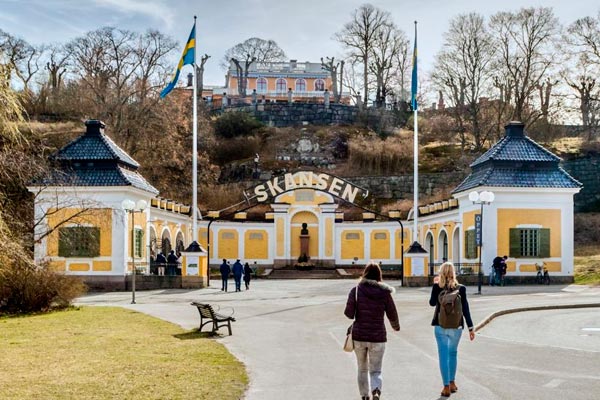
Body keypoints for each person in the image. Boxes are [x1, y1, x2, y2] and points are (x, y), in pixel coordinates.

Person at [344, 261, 400, 400]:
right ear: (379, 275)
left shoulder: (356, 290)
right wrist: (395, 326)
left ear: (365, 273)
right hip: (378, 336)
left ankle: (364, 396)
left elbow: (349, 314)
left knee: (362, 369)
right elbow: (392, 312)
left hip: (359, 336)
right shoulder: (385, 292)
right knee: (376, 370)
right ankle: (376, 390)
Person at [430, 262, 475, 397]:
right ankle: (453, 382)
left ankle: (446, 387)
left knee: (443, 356)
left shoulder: (438, 287)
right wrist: (471, 328)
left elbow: (432, 303)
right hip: (457, 327)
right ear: (453, 273)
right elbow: (465, 309)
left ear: (441, 273)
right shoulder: (461, 289)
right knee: (453, 353)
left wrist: (435, 284)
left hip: (440, 325)